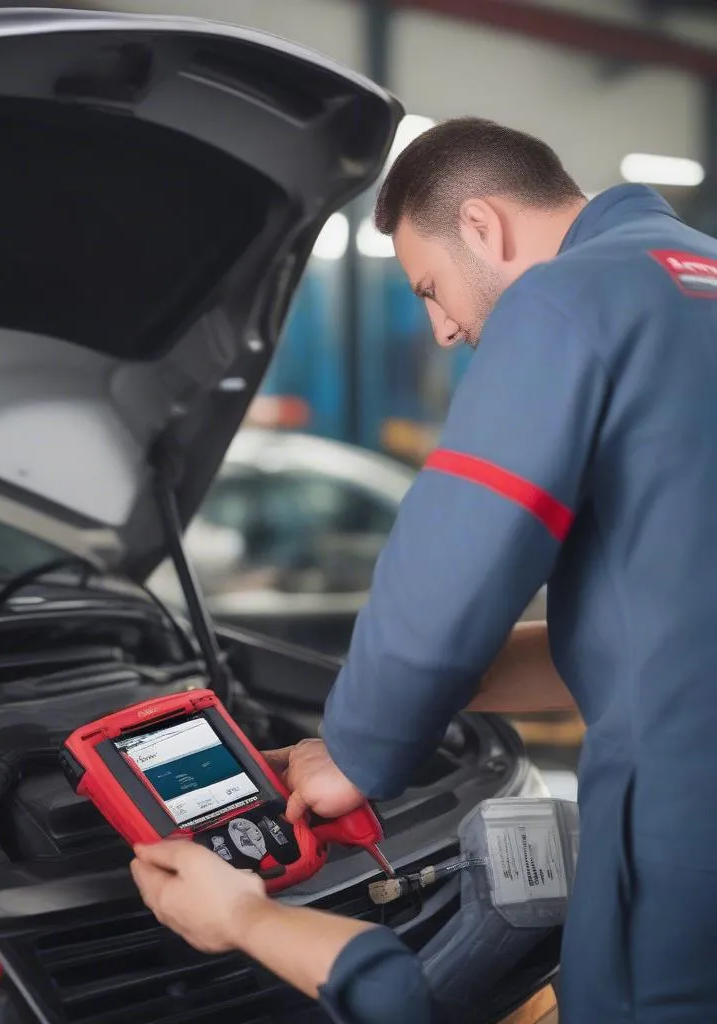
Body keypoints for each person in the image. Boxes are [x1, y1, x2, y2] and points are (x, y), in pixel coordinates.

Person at [132, 116, 717, 1022]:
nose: (442, 329)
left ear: (483, 226)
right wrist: (439, 699)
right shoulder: (693, 282)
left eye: (431, 287)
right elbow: (661, 626)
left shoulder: (567, 299)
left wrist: (360, 749)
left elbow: (457, 553)